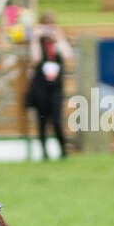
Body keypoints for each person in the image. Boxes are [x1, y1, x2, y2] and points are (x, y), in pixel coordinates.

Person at [24, 13, 73, 160]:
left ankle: (63, 149)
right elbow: (36, 58)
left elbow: (67, 54)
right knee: (42, 118)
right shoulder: (37, 41)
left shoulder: (57, 42)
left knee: (57, 118)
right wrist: (37, 36)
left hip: (55, 86)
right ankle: (44, 152)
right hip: (40, 85)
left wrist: (57, 39)